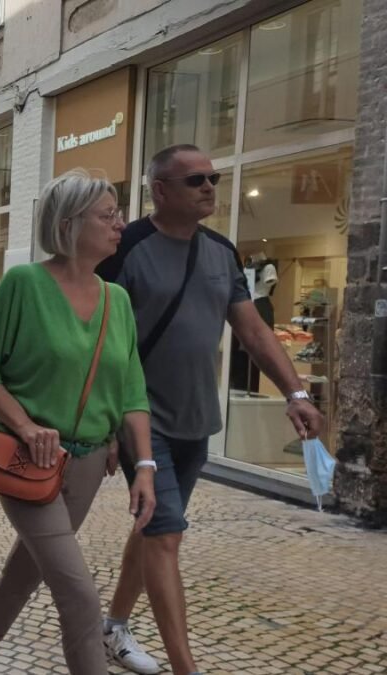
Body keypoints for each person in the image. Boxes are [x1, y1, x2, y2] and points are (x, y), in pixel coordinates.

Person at [96, 145, 325, 675]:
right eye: (195, 179)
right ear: (159, 190)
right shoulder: (125, 247)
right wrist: (107, 425)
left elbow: (253, 331)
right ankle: (186, 668)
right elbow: (101, 338)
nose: (208, 188)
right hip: (140, 416)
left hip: (197, 419)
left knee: (154, 526)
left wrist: (296, 394)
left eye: (213, 178)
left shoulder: (222, 251)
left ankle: (112, 627)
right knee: (167, 532)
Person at [0, 169, 156, 675]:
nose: (121, 225)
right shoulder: (24, 284)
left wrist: (145, 464)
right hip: (29, 462)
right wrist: (25, 425)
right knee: (79, 595)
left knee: (26, 570)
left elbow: (131, 390)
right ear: (68, 223)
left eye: (119, 214)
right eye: (108, 215)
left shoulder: (118, 300)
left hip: (89, 465)